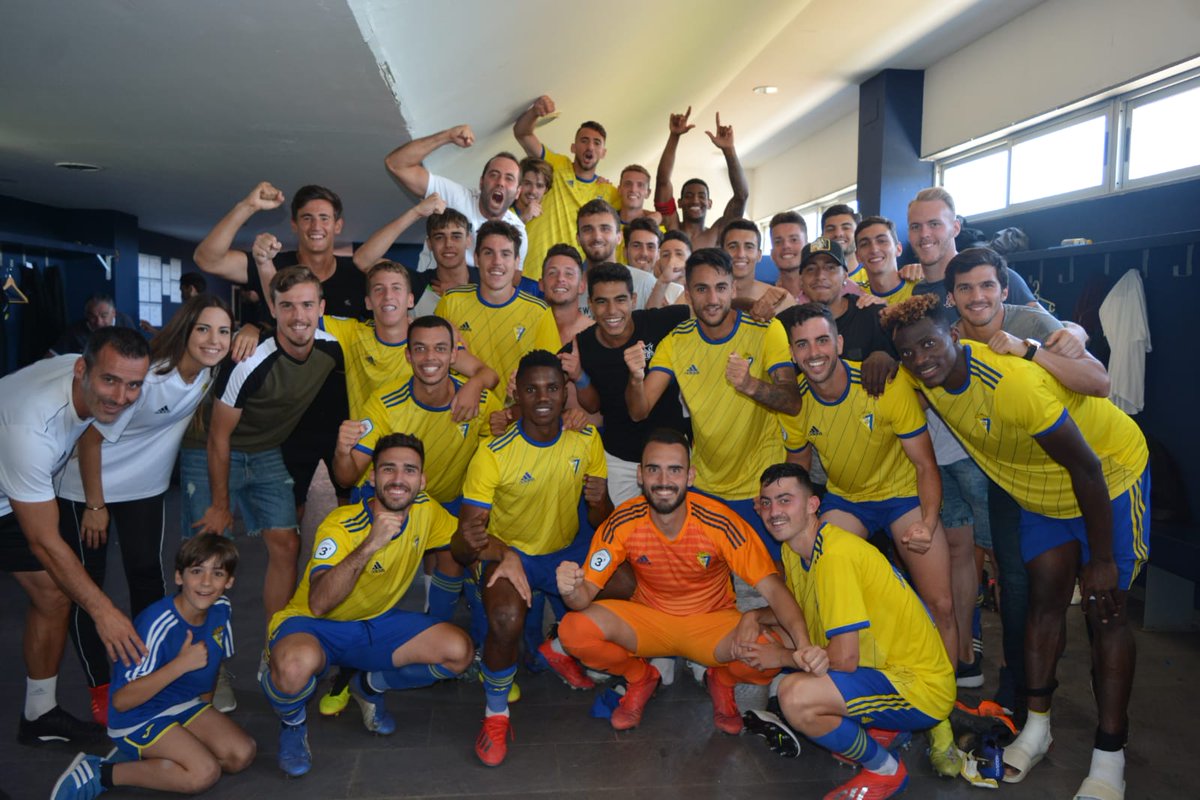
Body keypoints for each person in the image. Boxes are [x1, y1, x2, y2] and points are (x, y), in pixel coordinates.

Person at [884, 294, 1149, 799]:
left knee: (1105, 610)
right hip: (1040, 493)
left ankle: (1109, 755)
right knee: (1042, 605)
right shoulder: (922, 379)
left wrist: (1100, 559)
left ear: (956, 336)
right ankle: (1036, 728)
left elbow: (1087, 468)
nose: (920, 359)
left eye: (928, 344)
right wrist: (881, 358)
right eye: (907, 353)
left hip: (1108, 478)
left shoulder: (1011, 384)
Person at [556, 430, 816, 733]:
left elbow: (774, 590)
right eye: (654, 469)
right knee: (572, 631)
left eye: (675, 470)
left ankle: (722, 680)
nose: (664, 481)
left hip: (709, 623)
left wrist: (804, 647)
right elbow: (583, 596)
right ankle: (640, 678)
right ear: (640, 475)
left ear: (690, 476)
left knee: (768, 652)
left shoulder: (720, 521)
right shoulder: (623, 520)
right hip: (650, 620)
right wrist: (571, 590)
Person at [774, 304, 959, 726]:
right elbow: (797, 471)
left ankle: (941, 713)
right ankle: (841, 687)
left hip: (900, 496)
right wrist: (788, 517)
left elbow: (926, 466)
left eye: (822, 340)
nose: (814, 352)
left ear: (839, 343)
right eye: (802, 344)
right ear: (792, 353)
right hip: (847, 500)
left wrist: (928, 524)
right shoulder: (797, 401)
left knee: (942, 602)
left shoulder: (882, 384)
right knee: (821, 586)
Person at [947, 246, 1110, 719]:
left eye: (986, 286)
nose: (977, 297)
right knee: (1017, 585)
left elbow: (1098, 381)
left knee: (1078, 593)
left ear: (1003, 288)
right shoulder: (951, 336)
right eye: (965, 288)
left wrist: (1031, 352)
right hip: (1009, 478)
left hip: (1075, 472)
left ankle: (1086, 712)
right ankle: (1020, 691)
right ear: (952, 296)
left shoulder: (1033, 324)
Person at [57, 295, 234, 723]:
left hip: (144, 489)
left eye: (224, 331)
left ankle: (152, 668)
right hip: (86, 489)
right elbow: (90, 436)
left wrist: (250, 330)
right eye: (204, 329)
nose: (214, 340)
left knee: (147, 578)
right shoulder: (151, 377)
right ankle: (102, 686)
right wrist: (95, 504)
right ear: (186, 330)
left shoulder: (210, 374)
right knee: (87, 588)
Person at [262, 434, 474, 777]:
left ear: (422, 481)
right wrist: (370, 544)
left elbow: (465, 539)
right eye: (388, 469)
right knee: (293, 668)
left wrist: (506, 557)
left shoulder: (426, 510)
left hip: (375, 625)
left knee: (458, 652)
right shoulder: (340, 524)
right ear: (372, 478)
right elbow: (319, 603)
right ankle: (293, 725)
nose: (398, 479)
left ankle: (369, 685)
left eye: (409, 470)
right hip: (315, 626)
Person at [746, 463, 956, 800]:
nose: (774, 512)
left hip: (919, 687)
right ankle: (884, 728)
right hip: (883, 668)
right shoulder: (795, 547)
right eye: (767, 502)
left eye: (785, 500)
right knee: (768, 642)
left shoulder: (836, 555)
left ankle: (886, 770)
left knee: (795, 697)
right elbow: (799, 616)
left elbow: (843, 658)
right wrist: (754, 617)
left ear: (813, 505)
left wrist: (782, 657)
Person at [906, 187, 1041, 690]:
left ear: (955, 226)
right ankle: (964, 656)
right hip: (939, 448)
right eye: (917, 227)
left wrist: (1075, 333)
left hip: (989, 450)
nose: (925, 236)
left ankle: (1022, 673)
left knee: (1010, 565)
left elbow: (1045, 330)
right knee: (961, 552)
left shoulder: (988, 279)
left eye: (935, 225)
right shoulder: (911, 294)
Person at [451, 350, 611, 767]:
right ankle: (496, 715)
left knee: (627, 583)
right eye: (532, 388)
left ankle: (555, 646)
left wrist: (601, 501)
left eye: (553, 388)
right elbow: (465, 546)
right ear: (516, 393)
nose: (543, 397)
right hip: (512, 553)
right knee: (504, 622)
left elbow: (601, 520)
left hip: (566, 548)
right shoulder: (493, 452)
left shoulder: (586, 439)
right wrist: (492, 550)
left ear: (565, 394)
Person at [1, 327, 149, 747]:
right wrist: (105, 613)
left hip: (9, 492)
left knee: (53, 594)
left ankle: (39, 714)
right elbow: (45, 543)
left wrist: (95, 504)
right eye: (110, 382)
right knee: (60, 573)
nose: (120, 398)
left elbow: (88, 424)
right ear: (82, 369)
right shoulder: (31, 429)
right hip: (13, 471)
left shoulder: (84, 377)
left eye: (133, 385)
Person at [188, 267, 343, 623]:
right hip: (208, 447)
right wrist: (220, 503)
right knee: (206, 555)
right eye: (286, 306)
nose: (298, 316)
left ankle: (275, 641)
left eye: (306, 305)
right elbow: (218, 436)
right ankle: (208, 662)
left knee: (288, 546)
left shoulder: (332, 350)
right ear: (272, 310)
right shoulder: (250, 361)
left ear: (321, 307)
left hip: (265, 450)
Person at [50, 535, 254, 800]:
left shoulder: (221, 609)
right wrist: (179, 665)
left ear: (229, 582)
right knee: (203, 773)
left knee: (241, 754)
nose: (206, 582)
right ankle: (103, 773)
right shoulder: (156, 624)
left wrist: (206, 712)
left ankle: (152, 753)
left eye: (217, 574)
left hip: (183, 704)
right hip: (139, 716)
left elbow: (211, 668)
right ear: (179, 577)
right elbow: (122, 702)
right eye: (196, 571)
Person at [625, 248, 799, 557]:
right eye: (701, 289)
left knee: (774, 577)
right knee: (710, 581)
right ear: (688, 295)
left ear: (733, 289)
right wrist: (636, 378)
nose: (712, 298)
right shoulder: (677, 341)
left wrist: (749, 385)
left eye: (720, 288)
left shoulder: (765, 329)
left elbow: (792, 401)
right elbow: (639, 411)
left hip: (762, 485)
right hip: (706, 485)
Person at [332, 315, 503, 623]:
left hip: (446, 500)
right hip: (392, 496)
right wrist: (342, 451)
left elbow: (504, 451)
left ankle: (433, 624)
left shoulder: (479, 401)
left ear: (454, 355)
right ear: (408, 354)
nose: (429, 358)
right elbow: (345, 477)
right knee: (370, 568)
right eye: (420, 349)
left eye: (439, 348)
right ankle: (360, 629)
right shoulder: (384, 403)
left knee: (457, 554)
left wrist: (505, 417)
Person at [564, 263, 690, 505]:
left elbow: (712, 310)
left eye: (620, 299)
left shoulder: (658, 322)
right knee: (628, 535)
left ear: (633, 300)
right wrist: (579, 376)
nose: (612, 310)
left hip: (671, 454)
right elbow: (542, 375)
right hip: (620, 459)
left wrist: (755, 307)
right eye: (601, 301)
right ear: (590, 305)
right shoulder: (582, 345)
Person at [193, 182, 367, 320]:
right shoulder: (270, 262)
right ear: (294, 224)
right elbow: (207, 260)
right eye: (307, 218)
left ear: (338, 226)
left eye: (324, 218)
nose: (316, 227)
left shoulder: (357, 271)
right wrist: (248, 206)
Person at [432, 220, 559, 401]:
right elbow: (434, 358)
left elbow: (551, 377)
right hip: (460, 415)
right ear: (476, 259)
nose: (496, 262)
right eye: (488, 253)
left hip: (515, 421)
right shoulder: (451, 301)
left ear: (516, 262)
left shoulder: (539, 312)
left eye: (505, 254)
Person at [383, 125, 528, 278]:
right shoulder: (456, 196)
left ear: (518, 192)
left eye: (509, 178)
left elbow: (513, 280)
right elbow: (396, 164)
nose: (500, 182)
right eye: (494, 174)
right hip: (432, 290)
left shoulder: (518, 232)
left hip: (475, 296)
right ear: (481, 182)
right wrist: (448, 136)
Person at [512, 95, 622, 279]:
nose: (590, 147)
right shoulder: (556, 165)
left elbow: (634, 210)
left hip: (568, 281)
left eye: (597, 143)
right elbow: (522, 133)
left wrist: (657, 214)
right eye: (584, 140)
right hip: (529, 273)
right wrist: (534, 112)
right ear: (573, 147)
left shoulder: (609, 192)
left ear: (603, 153)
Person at [654, 107, 749, 250]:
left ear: (709, 203)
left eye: (701, 196)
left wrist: (729, 150)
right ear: (679, 203)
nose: (695, 200)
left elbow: (741, 196)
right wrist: (674, 136)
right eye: (689, 195)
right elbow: (662, 182)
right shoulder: (672, 227)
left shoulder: (718, 233)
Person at [576, 199, 681, 311]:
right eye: (588, 230)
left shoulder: (646, 283)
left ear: (619, 237)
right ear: (578, 238)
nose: (597, 237)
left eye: (605, 229)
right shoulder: (570, 286)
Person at [48, 294, 142, 356]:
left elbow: (137, 351)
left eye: (104, 316)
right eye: (93, 317)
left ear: (114, 313)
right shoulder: (75, 331)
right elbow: (52, 355)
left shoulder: (125, 323)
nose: (98, 322)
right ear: (86, 315)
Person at [855, 216, 917, 305]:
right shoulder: (856, 296)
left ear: (898, 249)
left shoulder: (921, 287)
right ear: (858, 257)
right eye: (864, 244)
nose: (874, 249)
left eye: (882, 241)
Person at [539, 244, 593, 344]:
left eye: (569, 274)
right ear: (541, 284)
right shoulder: (529, 330)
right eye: (552, 273)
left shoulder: (597, 334)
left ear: (582, 286)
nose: (560, 279)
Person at [721, 218, 780, 305]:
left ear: (759, 255)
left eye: (749, 247)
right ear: (721, 253)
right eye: (733, 246)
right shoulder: (705, 299)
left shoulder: (780, 300)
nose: (740, 254)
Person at [821, 204, 869, 290]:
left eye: (846, 228)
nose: (838, 234)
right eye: (830, 229)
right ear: (822, 236)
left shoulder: (873, 277)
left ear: (858, 234)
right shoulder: (815, 281)